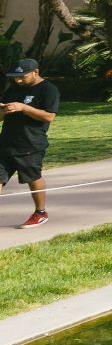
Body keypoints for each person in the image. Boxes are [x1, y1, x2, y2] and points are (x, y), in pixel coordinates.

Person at [1, 59, 58, 228]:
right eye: (15, 77)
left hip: (30, 143)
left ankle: (40, 213)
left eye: (22, 77)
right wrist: (3, 111)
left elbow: (49, 116)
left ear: (36, 72)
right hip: (5, 142)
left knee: (32, 177)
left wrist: (24, 108)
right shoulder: (13, 89)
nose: (18, 81)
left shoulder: (49, 89)